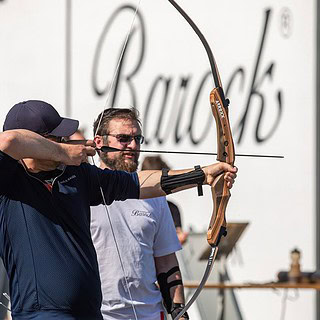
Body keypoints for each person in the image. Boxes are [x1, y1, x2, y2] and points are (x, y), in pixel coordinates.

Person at [0, 100, 237, 320]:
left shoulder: (75, 176)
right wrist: (63, 152)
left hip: (88, 313)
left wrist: (201, 175)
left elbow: (138, 183)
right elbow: (7, 142)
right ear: (39, 140)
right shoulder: (8, 182)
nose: (66, 141)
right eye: (58, 137)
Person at [91, 108, 189, 320]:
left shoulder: (154, 196)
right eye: (123, 138)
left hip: (149, 313)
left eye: (137, 138)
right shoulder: (82, 189)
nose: (133, 146)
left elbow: (167, 262)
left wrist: (179, 313)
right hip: (97, 314)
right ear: (99, 142)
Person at [141, 156, 188, 245]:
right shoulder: (133, 205)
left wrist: (178, 239)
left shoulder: (172, 208)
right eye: (165, 182)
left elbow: (177, 235)